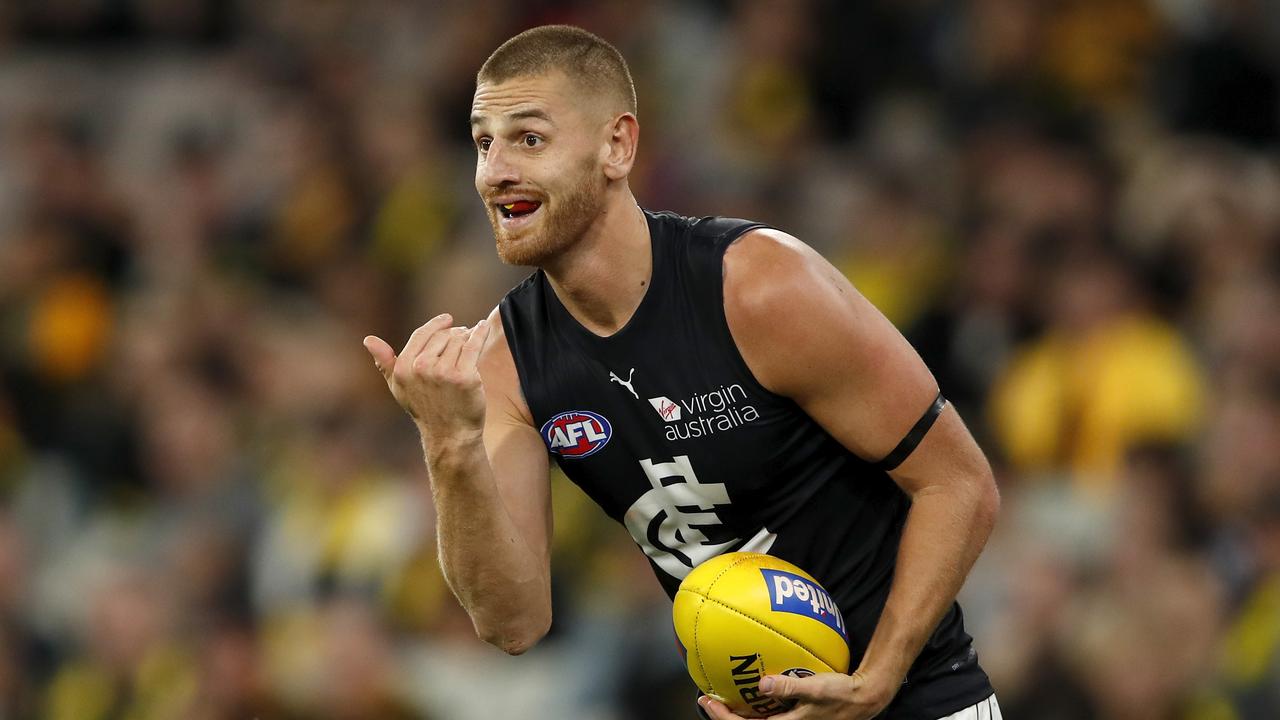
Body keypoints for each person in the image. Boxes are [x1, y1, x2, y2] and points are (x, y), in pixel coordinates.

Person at [363, 25, 1002, 720]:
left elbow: (959, 482)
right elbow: (514, 623)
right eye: (484, 142)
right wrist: (449, 445)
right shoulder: (505, 362)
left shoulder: (759, 287)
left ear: (617, 145)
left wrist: (877, 679)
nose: (495, 171)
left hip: (914, 700)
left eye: (529, 138)